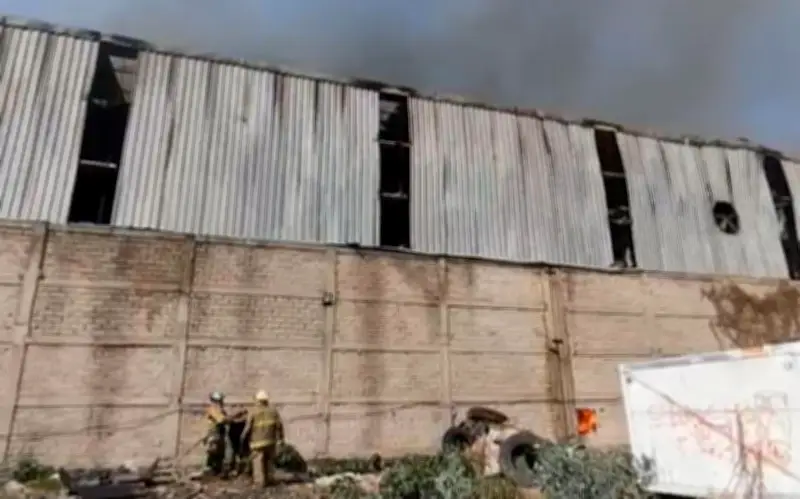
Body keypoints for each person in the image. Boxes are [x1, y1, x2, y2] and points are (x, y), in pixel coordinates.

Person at [242, 390, 284, 488]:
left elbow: (248, 428)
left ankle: (259, 482)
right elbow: (279, 426)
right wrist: (281, 439)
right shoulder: (273, 411)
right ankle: (270, 479)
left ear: (257, 400)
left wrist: (243, 438)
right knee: (269, 461)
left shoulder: (253, 412)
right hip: (270, 441)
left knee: (258, 462)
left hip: (257, 442)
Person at [203, 391, 229, 476]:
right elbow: (220, 420)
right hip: (213, 434)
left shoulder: (221, 410)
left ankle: (217, 470)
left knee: (220, 452)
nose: (221, 403)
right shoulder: (213, 409)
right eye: (220, 401)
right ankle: (209, 469)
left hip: (220, 434)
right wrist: (230, 418)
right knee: (213, 451)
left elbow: (225, 419)